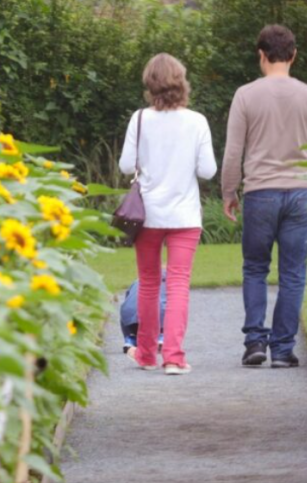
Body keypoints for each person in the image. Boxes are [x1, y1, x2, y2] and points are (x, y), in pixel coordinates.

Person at [221, 25, 307, 368]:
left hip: (260, 193)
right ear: (293, 55)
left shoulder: (245, 95)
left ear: (261, 55)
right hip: (302, 195)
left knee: (255, 268)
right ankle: (283, 350)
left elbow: (232, 152)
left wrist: (229, 192)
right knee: (293, 273)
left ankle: (255, 342)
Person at [119, 53, 217, 375]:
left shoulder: (140, 119)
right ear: (181, 81)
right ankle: (174, 358)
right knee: (178, 285)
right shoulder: (197, 121)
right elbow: (207, 171)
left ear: (150, 83)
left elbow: (124, 166)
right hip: (185, 216)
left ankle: (146, 355)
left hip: (147, 215)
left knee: (148, 284)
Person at [120, 274, 167, 354]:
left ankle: (131, 337)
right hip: (153, 315)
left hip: (130, 317)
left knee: (127, 309)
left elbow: (127, 298)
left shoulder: (137, 280)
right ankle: (161, 334)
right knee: (169, 310)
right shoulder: (169, 283)